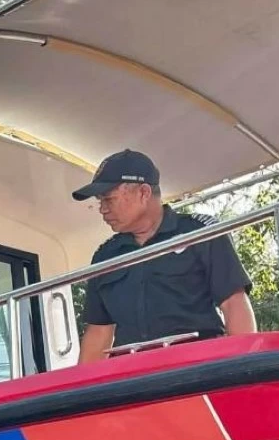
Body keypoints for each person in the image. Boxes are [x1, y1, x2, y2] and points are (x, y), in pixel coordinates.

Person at [73, 149, 257, 363]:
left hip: (198, 366)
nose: (102, 209)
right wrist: (83, 383)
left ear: (143, 193)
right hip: (133, 374)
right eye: (100, 201)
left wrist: (245, 368)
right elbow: (99, 332)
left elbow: (234, 304)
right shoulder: (105, 257)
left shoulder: (200, 233)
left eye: (108, 199)